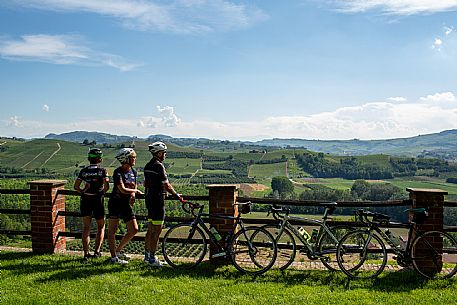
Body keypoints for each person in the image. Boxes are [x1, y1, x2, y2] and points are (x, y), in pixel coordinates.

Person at [144, 141, 184, 267]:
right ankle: (152, 258)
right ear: (159, 153)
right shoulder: (159, 166)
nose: (165, 155)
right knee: (157, 230)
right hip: (158, 200)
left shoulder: (147, 166)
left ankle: (147, 256)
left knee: (150, 229)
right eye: (164, 152)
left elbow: (146, 183)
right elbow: (166, 185)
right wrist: (176, 195)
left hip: (149, 199)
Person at [108, 147, 143, 264]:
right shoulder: (117, 172)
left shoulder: (133, 171)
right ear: (125, 159)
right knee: (112, 230)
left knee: (134, 229)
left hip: (125, 204)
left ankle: (118, 251)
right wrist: (135, 192)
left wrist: (133, 193)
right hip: (115, 203)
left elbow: (133, 186)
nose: (135, 159)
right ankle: (113, 257)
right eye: (132, 157)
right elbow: (122, 189)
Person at [74, 148, 109, 260]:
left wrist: (83, 192)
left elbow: (76, 186)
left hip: (85, 200)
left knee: (86, 227)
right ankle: (97, 251)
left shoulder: (83, 171)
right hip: (98, 200)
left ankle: (86, 253)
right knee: (101, 226)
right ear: (99, 159)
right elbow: (107, 186)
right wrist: (101, 192)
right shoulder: (102, 171)